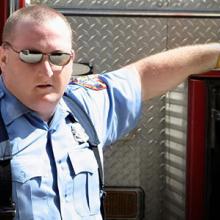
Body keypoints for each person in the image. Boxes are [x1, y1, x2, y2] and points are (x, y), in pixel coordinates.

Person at [0, 4, 220, 220]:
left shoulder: (86, 105)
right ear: (4, 58)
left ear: (71, 59)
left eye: (58, 57)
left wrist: (215, 54)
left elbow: (143, 75)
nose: (47, 70)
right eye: (31, 56)